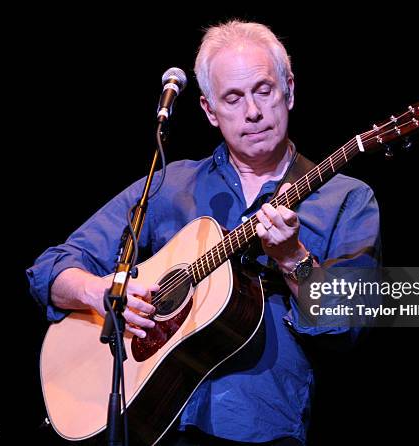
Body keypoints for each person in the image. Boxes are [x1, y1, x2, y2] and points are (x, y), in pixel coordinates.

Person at [27, 20, 380, 445]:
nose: (252, 111)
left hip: (257, 429)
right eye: (233, 98)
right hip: (146, 426)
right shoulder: (171, 184)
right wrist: (99, 292)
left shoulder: (346, 199)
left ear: (290, 89)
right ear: (210, 111)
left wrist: (292, 259)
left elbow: (348, 324)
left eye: (264, 90)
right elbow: (51, 268)